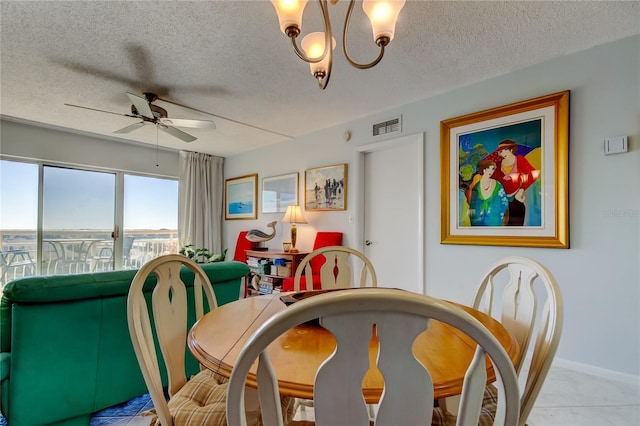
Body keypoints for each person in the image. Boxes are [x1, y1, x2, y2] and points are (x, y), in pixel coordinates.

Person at [492, 139, 540, 226]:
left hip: (516, 198)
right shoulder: (498, 164)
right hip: (501, 201)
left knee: (517, 223)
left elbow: (533, 174)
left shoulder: (519, 160)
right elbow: (494, 180)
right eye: (501, 151)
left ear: (511, 149)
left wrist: (522, 189)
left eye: (505, 150)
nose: (503, 153)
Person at [467, 159, 509, 226]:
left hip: (495, 222)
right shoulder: (476, 187)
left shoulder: (498, 185)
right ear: (483, 169)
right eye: (488, 168)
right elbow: (472, 207)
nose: (491, 171)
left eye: (492, 169)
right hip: (479, 224)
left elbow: (504, 204)